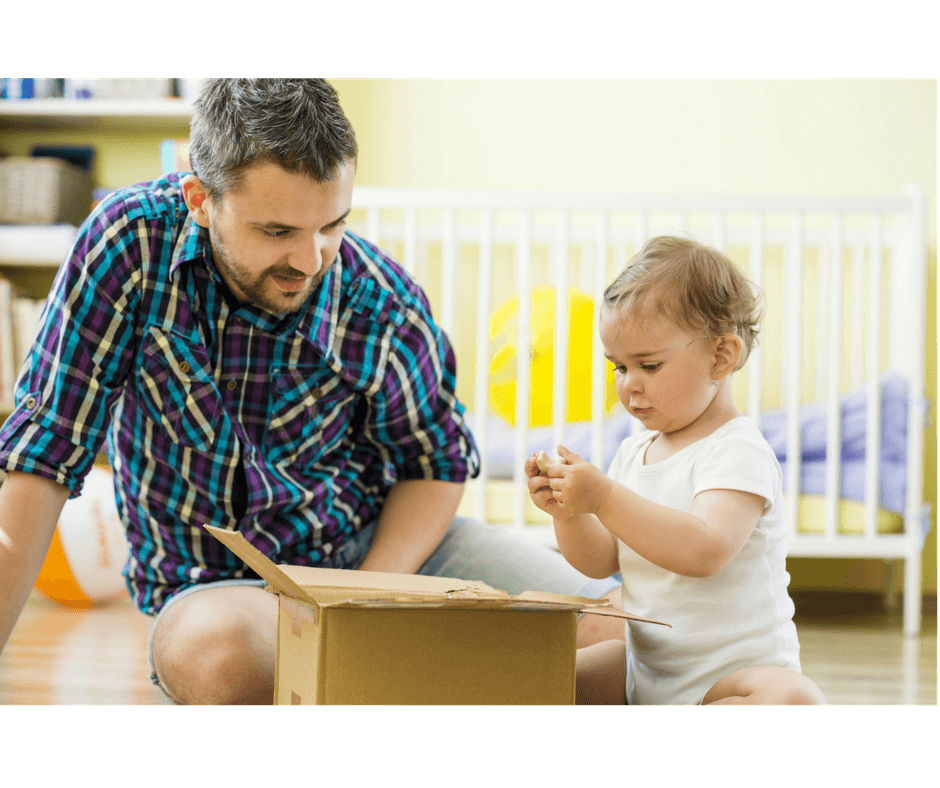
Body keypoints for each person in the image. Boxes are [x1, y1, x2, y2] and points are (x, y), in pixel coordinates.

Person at [0, 79, 618, 705]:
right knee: (219, 659)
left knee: (618, 625)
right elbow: (44, 452)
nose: (311, 258)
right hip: (217, 589)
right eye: (276, 232)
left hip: (376, 555)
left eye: (332, 225)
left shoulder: (382, 301)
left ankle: (417, 676)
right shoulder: (128, 247)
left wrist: (368, 601)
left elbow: (434, 465)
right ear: (200, 200)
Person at [525, 236, 826, 705]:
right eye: (619, 368)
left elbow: (705, 550)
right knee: (537, 676)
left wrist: (604, 498)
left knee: (792, 697)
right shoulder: (633, 453)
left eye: (649, 365)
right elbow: (602, 560)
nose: (629, 386)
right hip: (646, 675)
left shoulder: (736, 449)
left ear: (721, 357)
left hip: (730, 678)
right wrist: (570, 513)